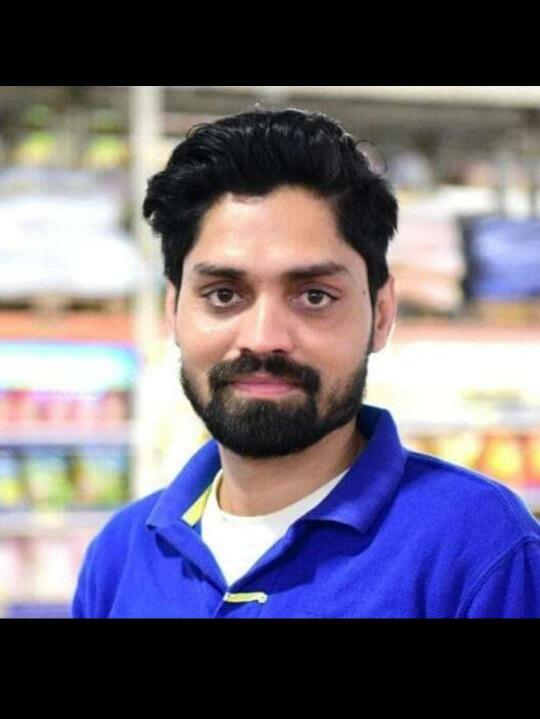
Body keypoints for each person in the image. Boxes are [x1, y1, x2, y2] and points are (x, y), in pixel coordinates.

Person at [72, 108, 540, 618]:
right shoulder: (121, 556)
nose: (263, 338)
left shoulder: (482, 551)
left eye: (314, 296)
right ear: (174, 311)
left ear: (382, 314)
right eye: (224, 294)